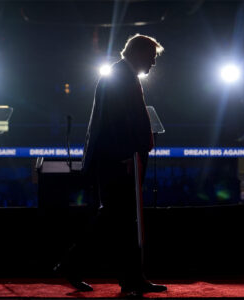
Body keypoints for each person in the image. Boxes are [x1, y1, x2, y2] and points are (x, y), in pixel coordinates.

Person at [58, 34, 166, 296]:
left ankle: (130, 279)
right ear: (138, 53)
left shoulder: (122, 74)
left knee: (122, 220)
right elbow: (115, 120)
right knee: (116, 218)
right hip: (119, 160)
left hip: (120, 158)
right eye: (151, 59)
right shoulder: (121, 76)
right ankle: (74, 265)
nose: (152, 65)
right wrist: (127, 155)